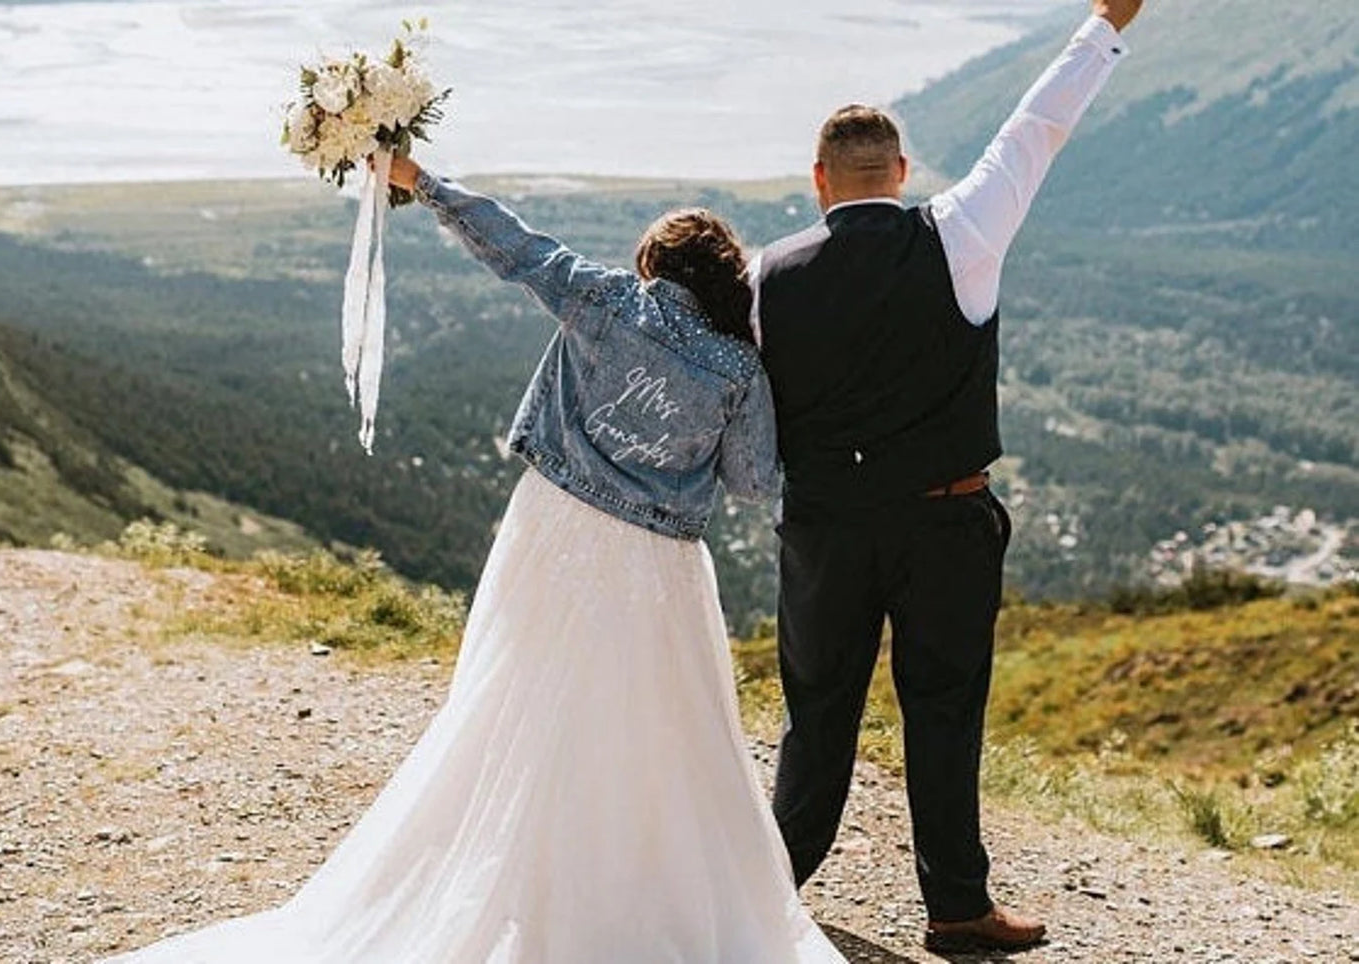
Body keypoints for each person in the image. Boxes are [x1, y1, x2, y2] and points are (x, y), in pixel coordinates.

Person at [104, 159, 845, 962]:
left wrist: (419, 179)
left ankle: (523, 875)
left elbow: (511, 245)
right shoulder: (737, 365)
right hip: (660, 566)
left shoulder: (602, 301)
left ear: (652, 267)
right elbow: (751, 482)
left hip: (555, 532)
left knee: (518, 702)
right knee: (655, 731)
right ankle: (637, 894)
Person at [753, 0, 1144, 953]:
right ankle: (957, 911)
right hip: (943, 526)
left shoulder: (766, 274)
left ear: (818, 183)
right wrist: (1105, 21)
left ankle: (760, 892)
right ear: (900, 172)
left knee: (817, 715)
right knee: (942, 711)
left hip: (823, 529)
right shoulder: (960, 231)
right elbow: (1037, 126)